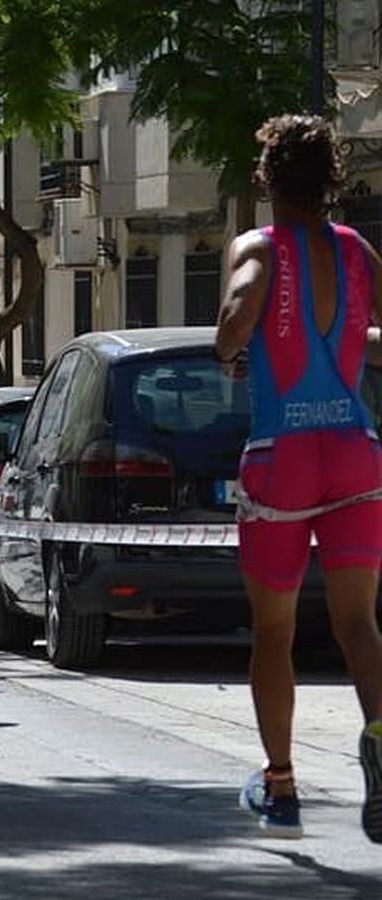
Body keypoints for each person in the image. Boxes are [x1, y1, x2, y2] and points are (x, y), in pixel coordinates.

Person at [215, 113, 382, 841]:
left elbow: (238, 311)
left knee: (274, 632)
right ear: (332, 178)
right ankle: (379, 734)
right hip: (354, 449)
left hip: (281, 458)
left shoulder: (257, 245)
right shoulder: (360, 252)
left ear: (267, 179)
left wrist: (233, 342)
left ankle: (280, 785)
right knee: (358, 625)